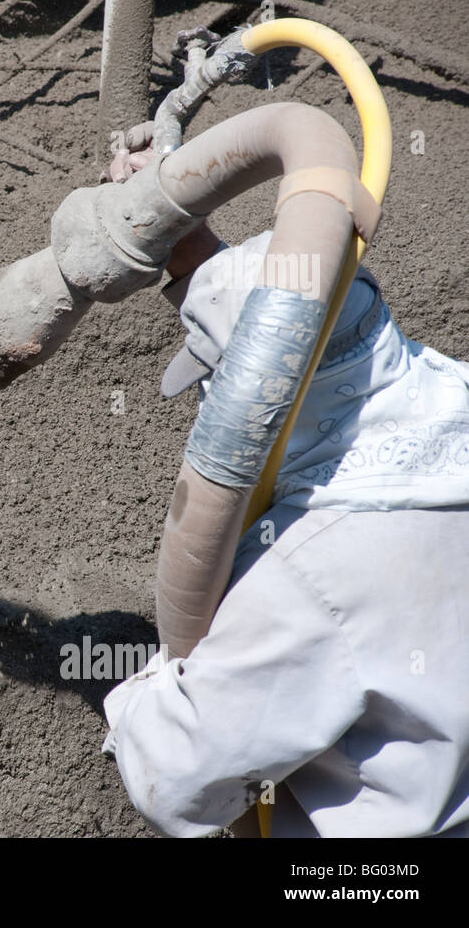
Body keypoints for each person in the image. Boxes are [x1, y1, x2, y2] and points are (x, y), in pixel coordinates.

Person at [98, 128, 469, 837]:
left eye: (216, 388)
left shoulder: (308, 581)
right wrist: (186, 243)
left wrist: (156, 689)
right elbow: (291, 317)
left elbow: (174, 776)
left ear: (256, 408)